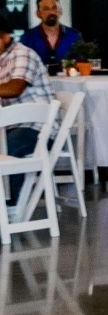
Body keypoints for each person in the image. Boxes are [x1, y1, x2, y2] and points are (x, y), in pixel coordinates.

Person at [0, 21, 52, 201]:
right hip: (11, 125)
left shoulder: (22, 54)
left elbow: (15, 87)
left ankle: (12, 205)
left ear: (5, 37)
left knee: (7, 148)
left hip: (36, 127)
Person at [21, 0, 82, 67]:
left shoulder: (74, 36)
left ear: (60, 11)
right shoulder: (28, 38)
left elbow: (83, 64)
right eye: (46, 9)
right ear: (38, 13)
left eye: (54, 8)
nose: (51, 12)